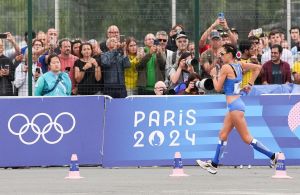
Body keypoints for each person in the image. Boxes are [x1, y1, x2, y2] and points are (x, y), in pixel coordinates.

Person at [196, 44, 279, 174]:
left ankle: (274, 156)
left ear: (230, 54)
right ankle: (214, 164)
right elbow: (258, 68)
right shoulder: (239, 65)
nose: (220, 56)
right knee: (223, 135)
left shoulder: (225, 68)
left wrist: (213, 75)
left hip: (235, 107)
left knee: (246, 138)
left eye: (222, 54)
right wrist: (250, 84)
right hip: (236, 104)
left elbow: (217, 88)